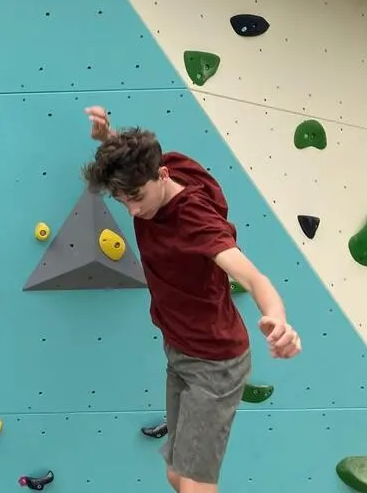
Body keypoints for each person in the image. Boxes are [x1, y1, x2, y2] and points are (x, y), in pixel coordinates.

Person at [81, 106, 302, 493]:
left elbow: (252, 276)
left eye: (136, 197)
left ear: (162, 177)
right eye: (122, 201)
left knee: (195, 486)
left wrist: (278, 318)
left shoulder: (196, 223)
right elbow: (135, 157)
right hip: (180, 350)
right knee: (175, 474)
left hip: (215, 362)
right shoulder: (165, 166)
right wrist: (108, 135)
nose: (133, 210)